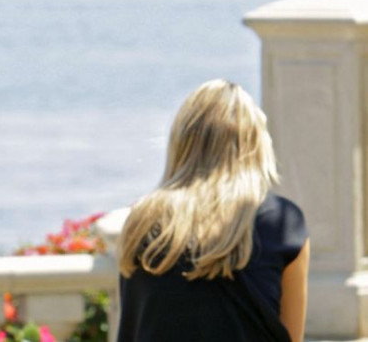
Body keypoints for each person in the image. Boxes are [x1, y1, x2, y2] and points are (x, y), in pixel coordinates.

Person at [116, 79, 309, 342]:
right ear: (255, 143)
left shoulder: (143, 221)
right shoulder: (282, 223)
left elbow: (134, 325)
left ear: (181, 141)